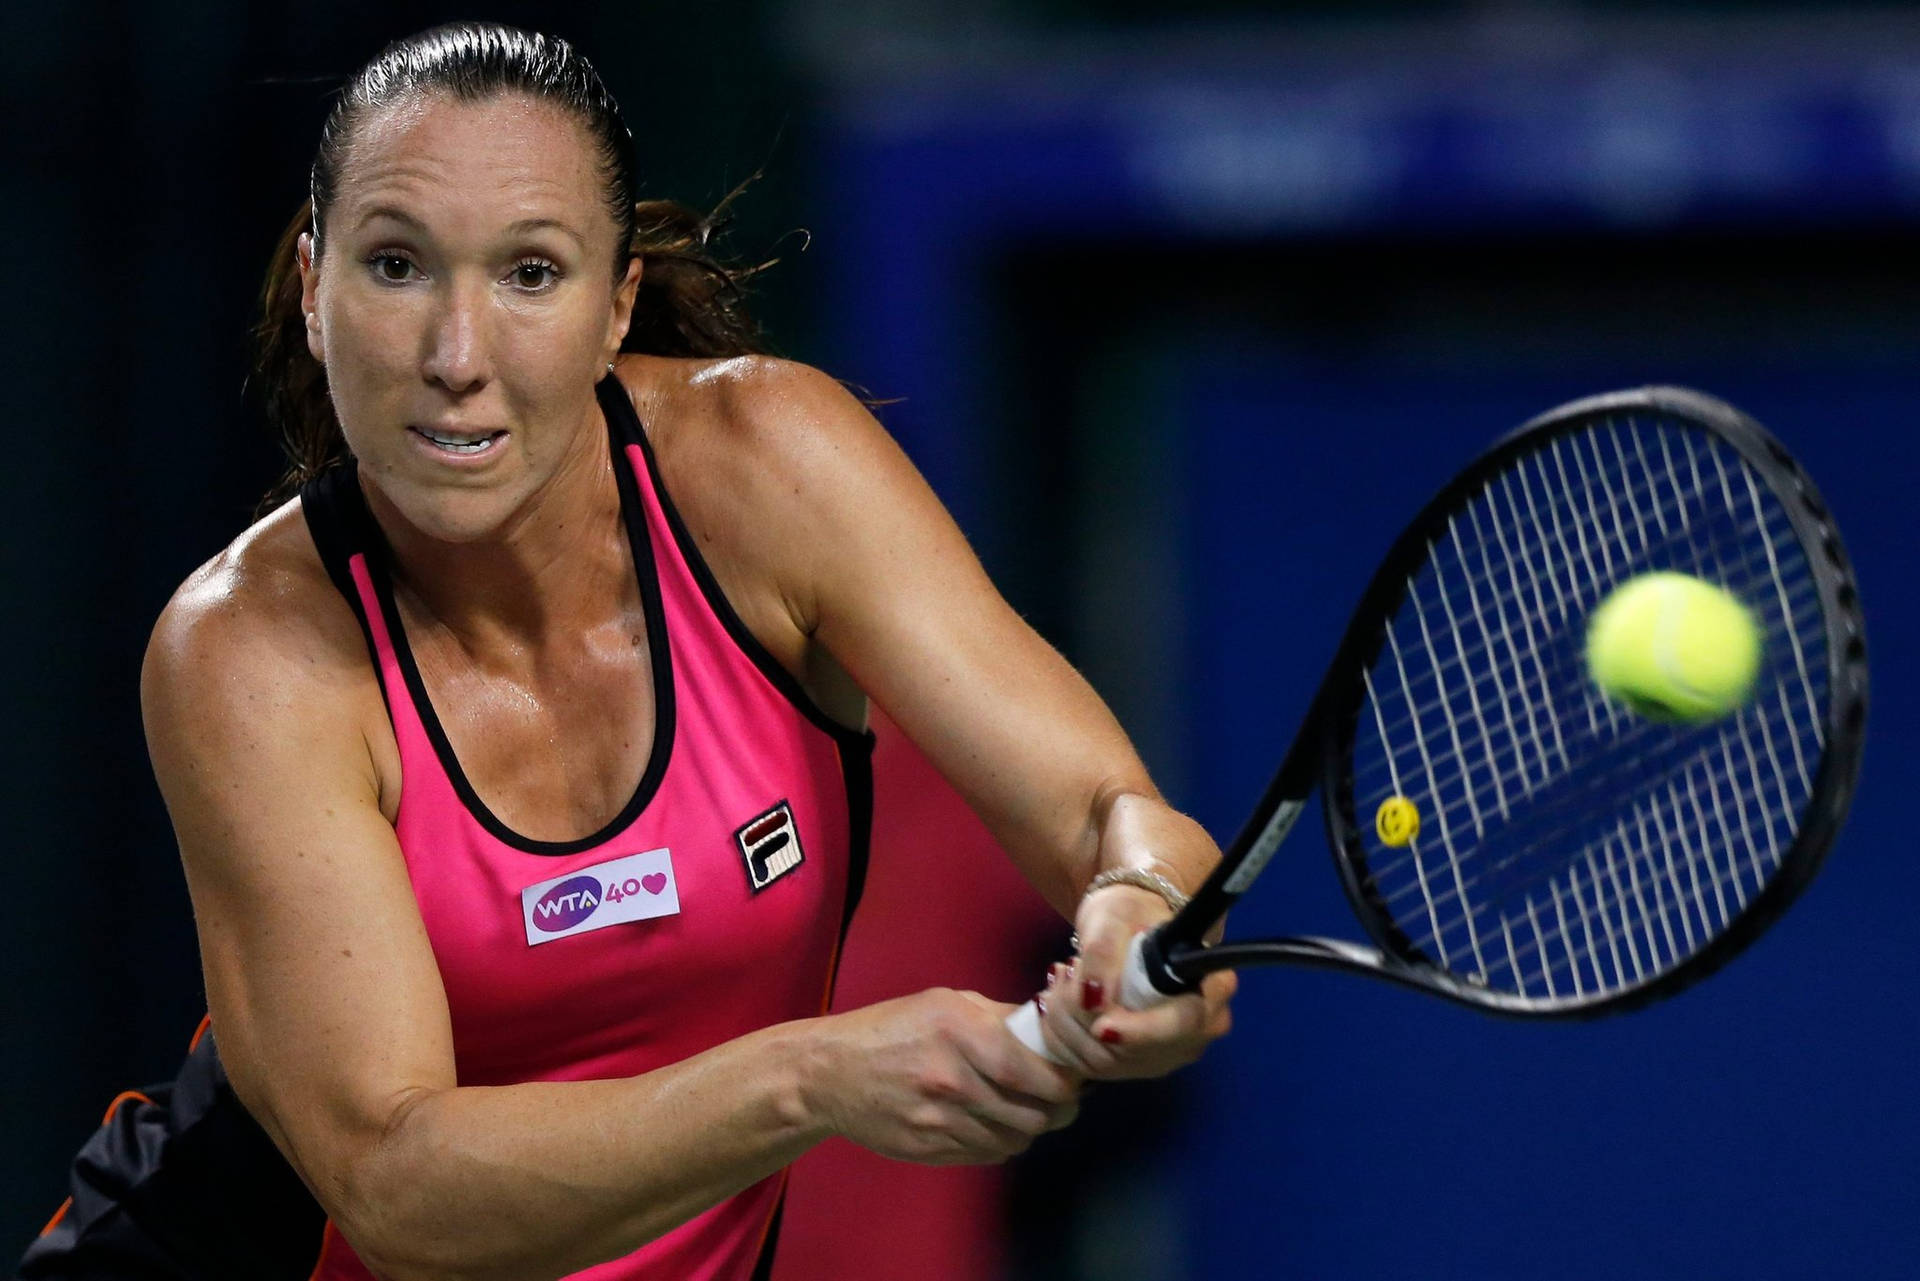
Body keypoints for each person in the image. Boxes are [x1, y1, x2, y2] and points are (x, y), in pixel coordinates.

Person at [20, 21, 1234, 1281]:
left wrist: (1140, 910)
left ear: (618, 308)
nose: (457, 357)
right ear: (316, 294)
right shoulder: (244, 652)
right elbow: (396, 1188)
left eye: (532, 274)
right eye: (396, 266)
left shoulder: (772, 465)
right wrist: (811, 1078)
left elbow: (1111, 811)